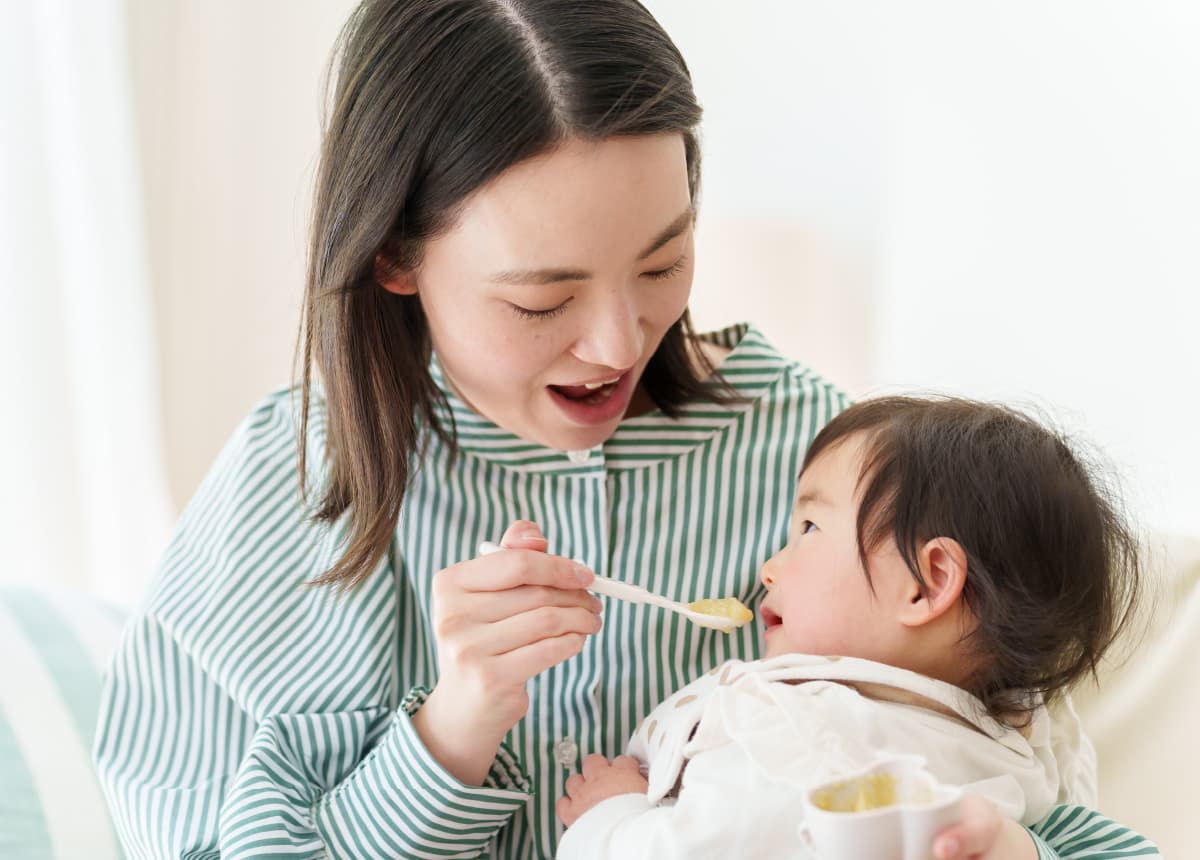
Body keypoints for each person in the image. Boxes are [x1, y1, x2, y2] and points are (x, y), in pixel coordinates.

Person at [93, 1, 1160, 858]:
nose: (617, 341)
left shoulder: (833, 468)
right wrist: (451, 732)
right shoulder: (292, 491)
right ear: (395, 258)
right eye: (541, 298)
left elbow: (1000, 767)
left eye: (661, 262)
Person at [553, 396, 1145, 858]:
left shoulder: (802, 745)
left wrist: (611, 815)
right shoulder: (1034, 745)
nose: (770, 566)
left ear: (926, 583)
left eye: (810, 527)